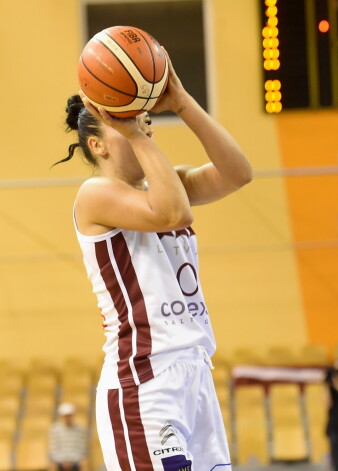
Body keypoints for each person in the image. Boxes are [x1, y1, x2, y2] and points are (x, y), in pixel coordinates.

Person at [56, 50, 251, 470]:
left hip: (195, 372)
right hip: (143, 379)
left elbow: (238, 174)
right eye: (125, 129)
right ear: (96, 145)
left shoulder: (168, 186)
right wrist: (136, 133)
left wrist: (182, 103)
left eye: (145, 124)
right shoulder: (94, 195)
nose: (142, 132)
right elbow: (173, 214)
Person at [48, 403, 88, 471]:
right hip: (60, 460)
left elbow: (81, 449)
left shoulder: (79, 430)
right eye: (65, 416)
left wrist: (71, 461)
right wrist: (63, 460)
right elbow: (54, 449)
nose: (67, 418)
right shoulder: (55, 430)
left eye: (69, 415)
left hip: (75, 460)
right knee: (52, 464)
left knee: (85, 463)